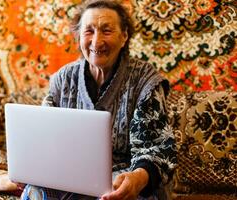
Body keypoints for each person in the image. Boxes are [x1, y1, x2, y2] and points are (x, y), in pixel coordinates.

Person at [21, 0, 177, 199]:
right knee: (34, 190)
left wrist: (138, 177)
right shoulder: (63, 79)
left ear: (124, 36)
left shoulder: (144, 81)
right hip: (73, 174)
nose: (96, 41)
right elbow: (44, 136)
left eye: (106, 31)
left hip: (126, 175)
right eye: (89, 31)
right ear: (79, 37)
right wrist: (33, 166)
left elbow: (157, 148)